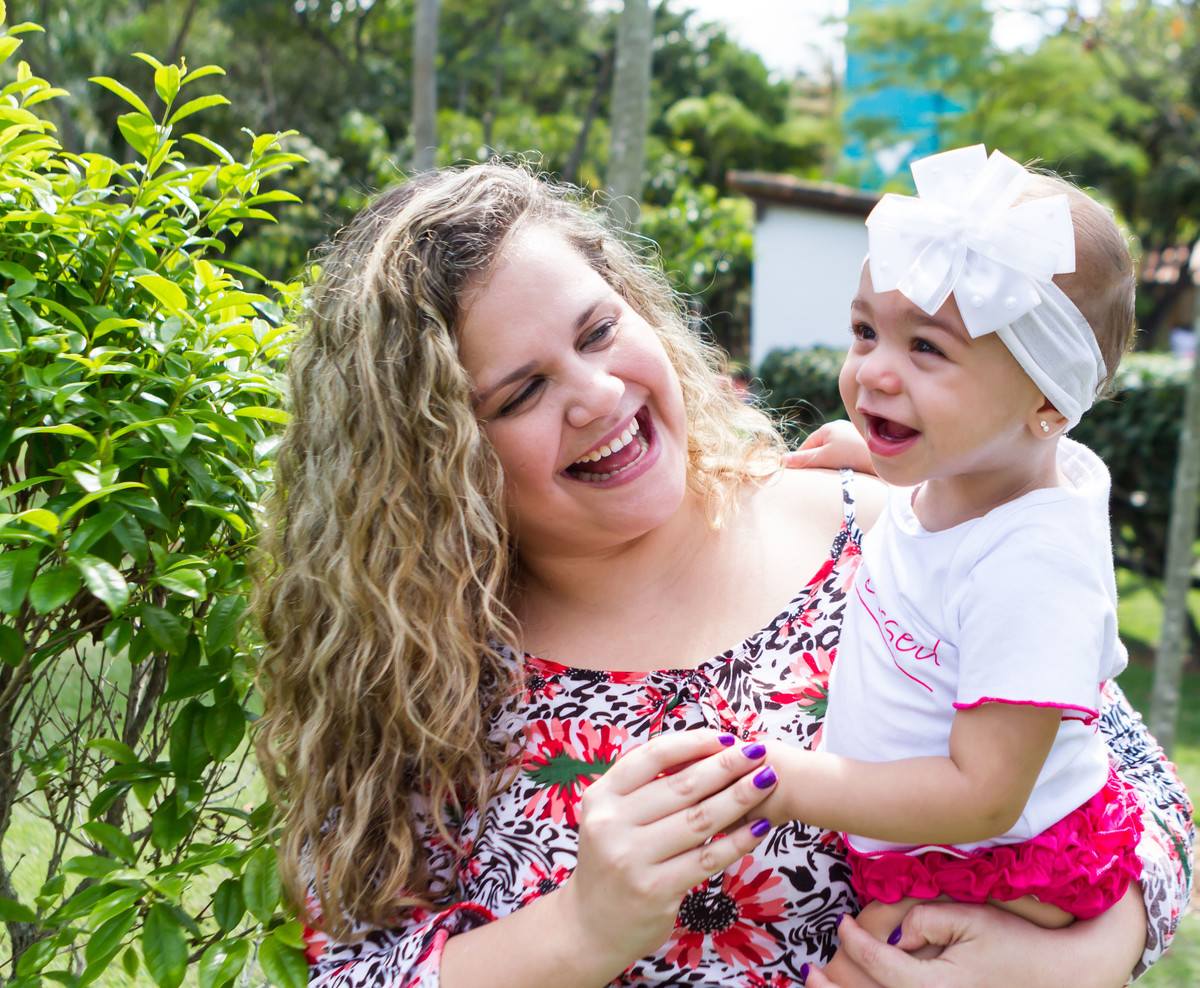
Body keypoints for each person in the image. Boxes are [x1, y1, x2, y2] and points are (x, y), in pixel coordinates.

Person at [253, 161, 1193, 988]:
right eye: (523, 391)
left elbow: (1141, 799)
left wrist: (1075, 962)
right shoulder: (419, 680)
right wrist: (580, 932)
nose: (598, 395)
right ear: (434, 460)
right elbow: (355, 970)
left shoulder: (897, 526)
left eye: (598, 332)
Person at [759, 146, 1173, 975]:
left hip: (998, 864)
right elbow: (986, 473)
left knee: (870, 965)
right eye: (866, 331)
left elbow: (984, 793)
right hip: (937, 843)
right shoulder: (980, 478)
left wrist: (784, 782)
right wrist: (882, 456)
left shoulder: (1035, 570)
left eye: (927, 348)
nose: (873, 371)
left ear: (1047, 400)